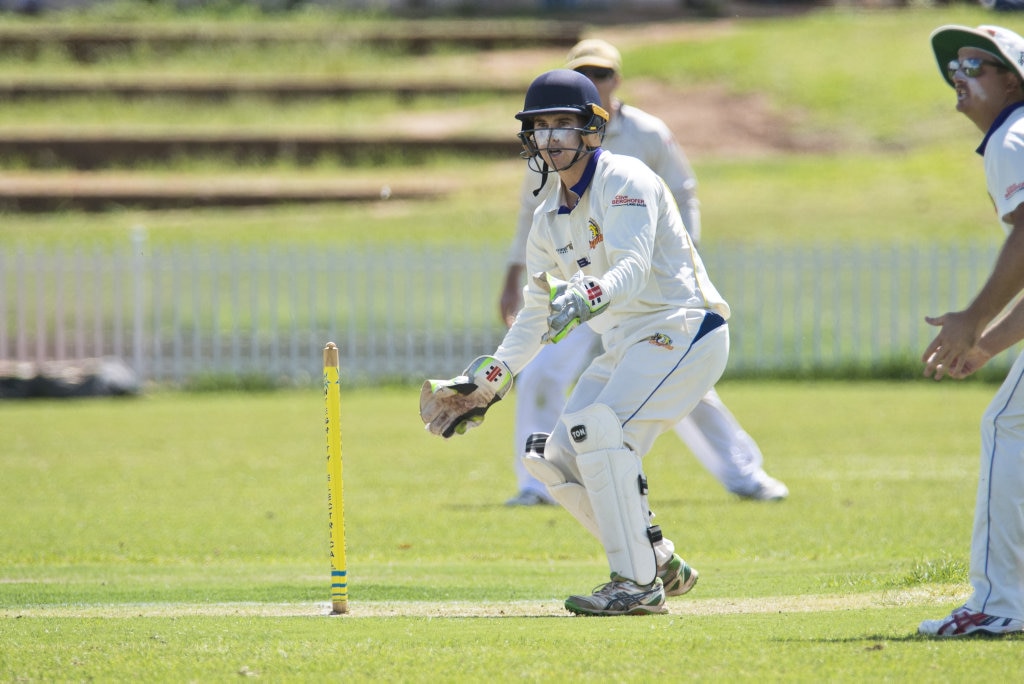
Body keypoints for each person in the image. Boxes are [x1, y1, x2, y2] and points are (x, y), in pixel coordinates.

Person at [421, 68, 730, 616]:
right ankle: (657, 558)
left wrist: (591, 292)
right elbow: (534, 318)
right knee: (554, 457)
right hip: (625, 345)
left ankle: (636, 585)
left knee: (596, 430)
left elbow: (632, 265)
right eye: (541, 127)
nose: (552, 138)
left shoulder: (625, 179)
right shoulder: (548, 220)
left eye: (564, 124)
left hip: (683, 327)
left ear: (592, 128)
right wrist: (486, 385)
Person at [500, 39, 788, 506]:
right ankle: (538, 484)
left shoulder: (647, 134)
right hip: (583, 291)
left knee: (688, 391)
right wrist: (512, 287)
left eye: (603, 73)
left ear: (616, 79)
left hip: (648, 300)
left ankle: (744, 474)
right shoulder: (552, 152)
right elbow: (532, 215)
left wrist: (684, 251)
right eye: (585, 72)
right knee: (540, 376)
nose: (595, 80)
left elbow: (681, 191)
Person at [918, 24, 1024, 638]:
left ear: (1013, 78)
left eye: (976, 64)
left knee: (1007, 424)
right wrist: (987, 345)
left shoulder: (1014, 134)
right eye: (954, 66)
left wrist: (972, 320)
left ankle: (999, 604)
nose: (960, 75)